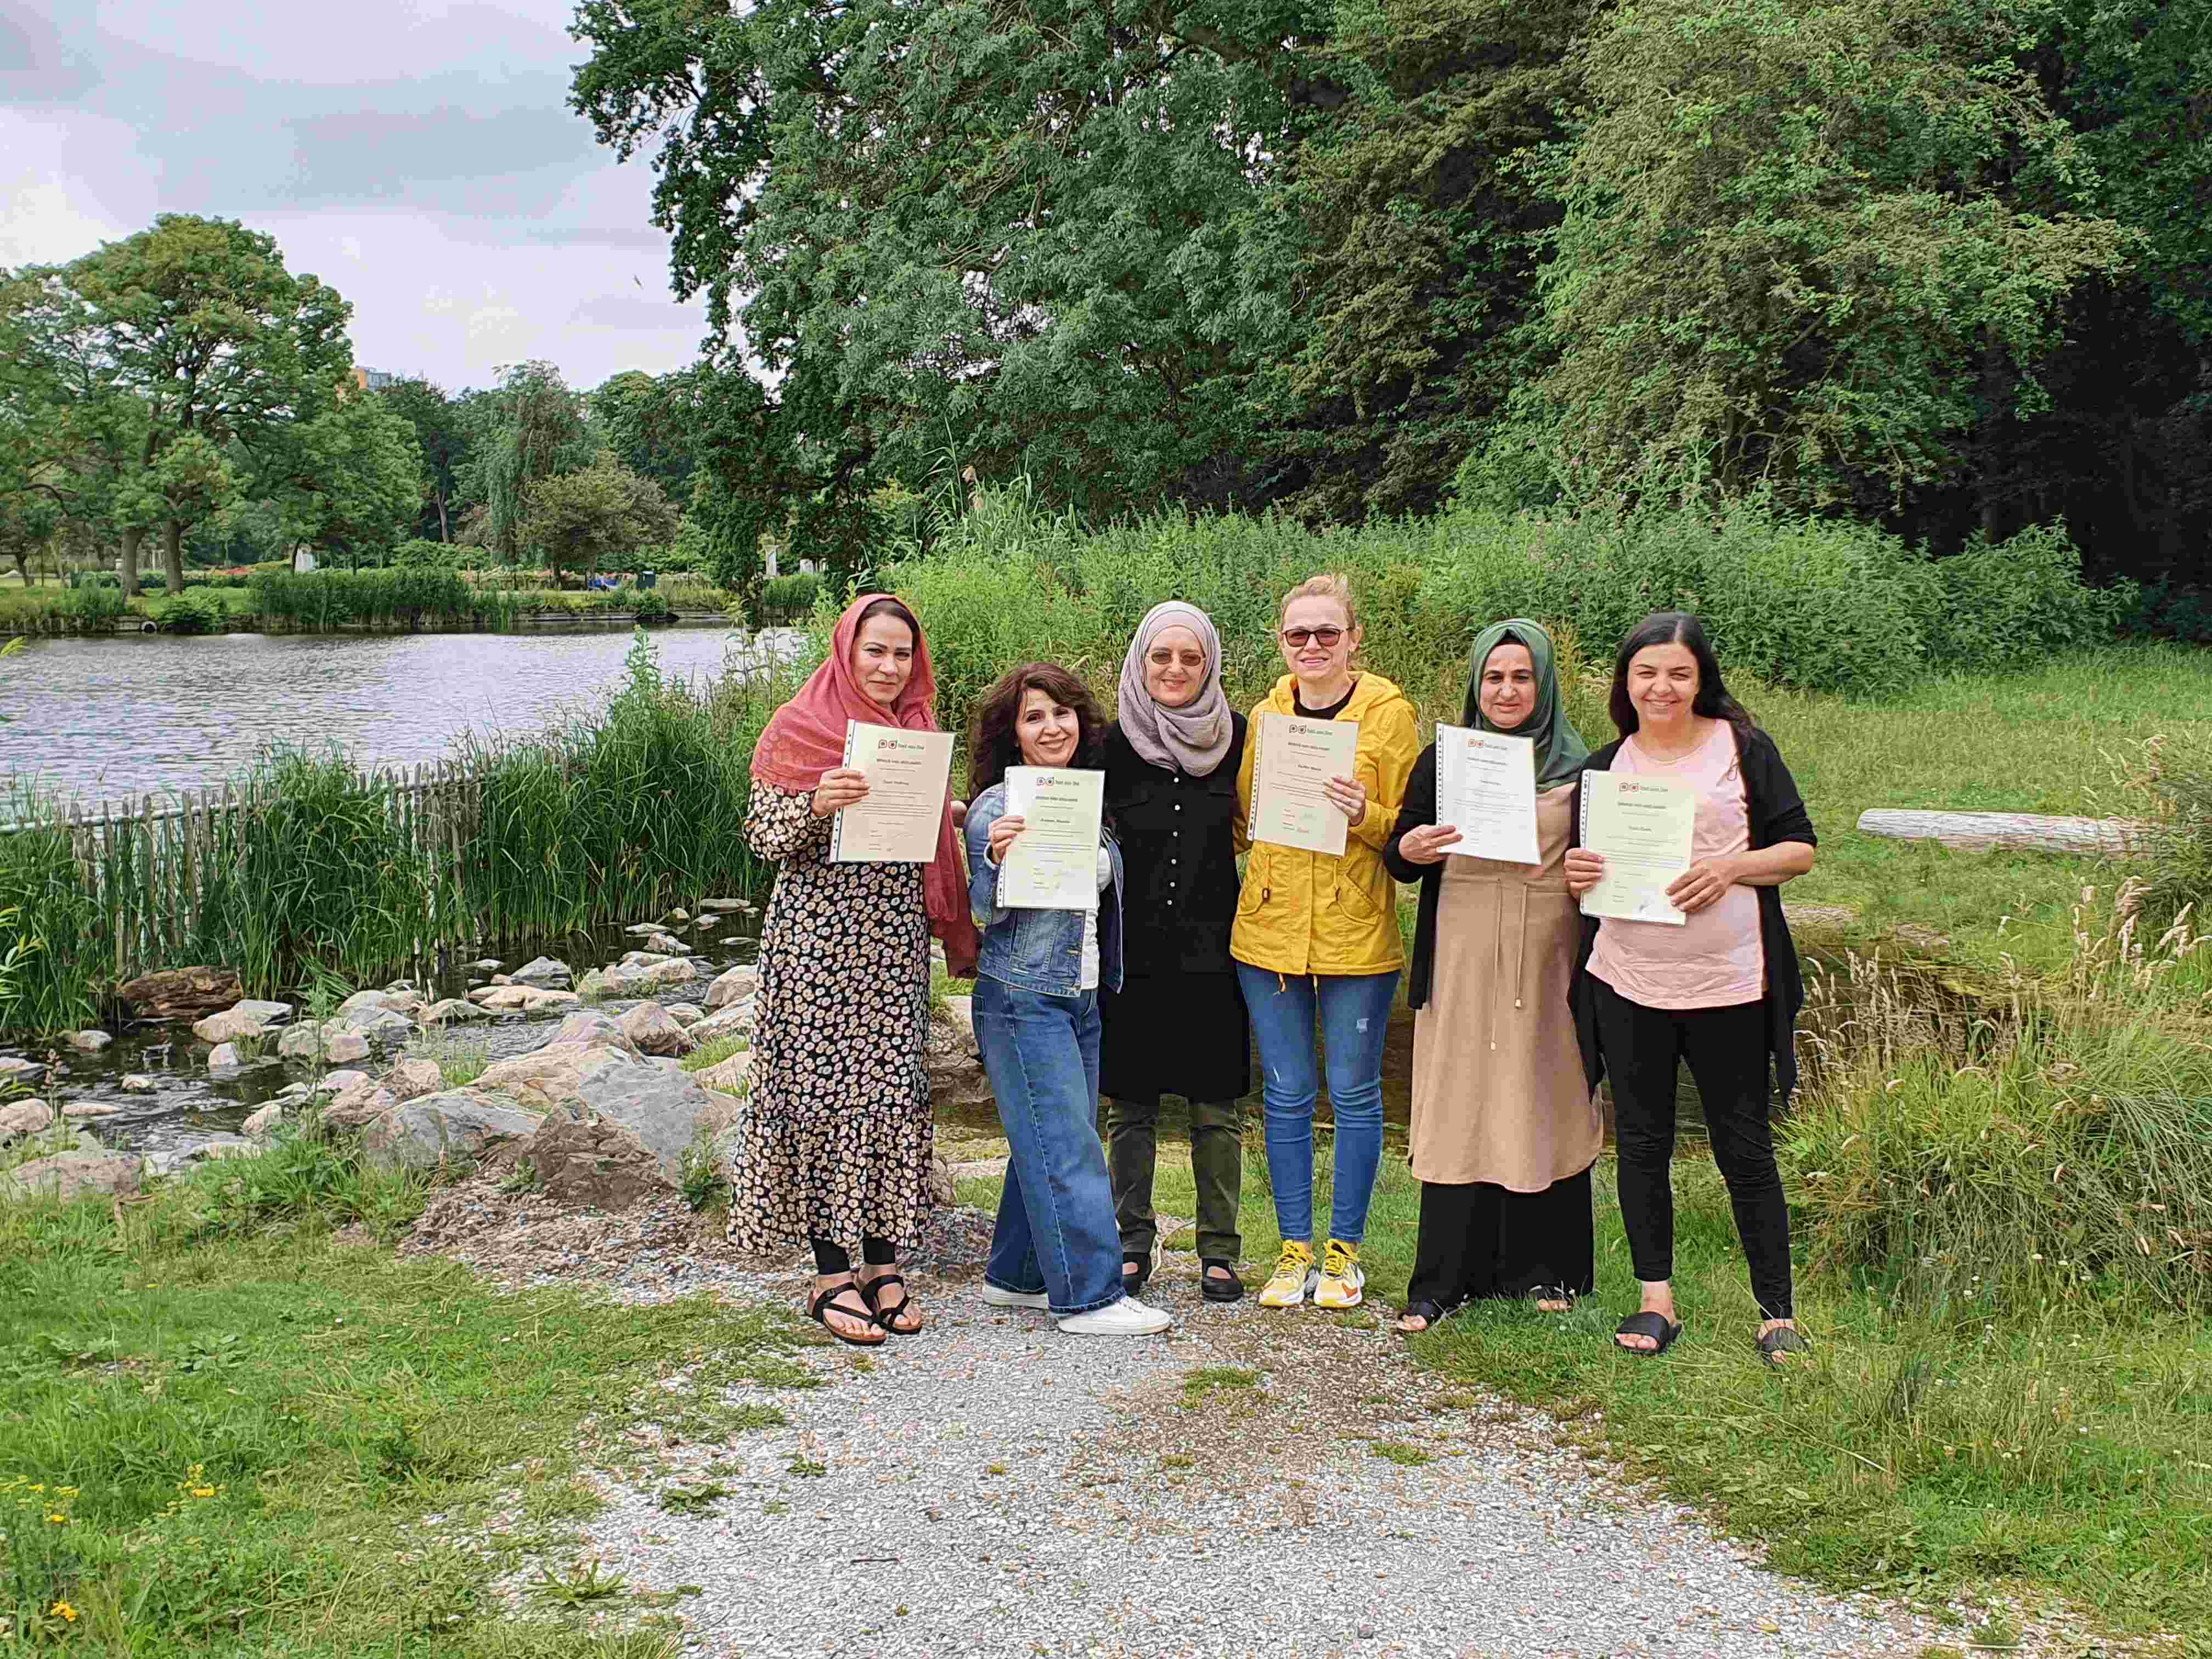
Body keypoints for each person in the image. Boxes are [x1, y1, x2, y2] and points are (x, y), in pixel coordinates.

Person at [1562, 611, 1817, 1364]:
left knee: (1745, 1147)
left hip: (1730, 983)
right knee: (1642, 1142)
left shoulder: (1745, 751)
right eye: (1646, 673)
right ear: (1626, 683)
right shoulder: (1606, 768)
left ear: (1701, 678)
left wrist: (1732, 867)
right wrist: (1581, 875)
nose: (1661, 686)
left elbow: (1800, 850)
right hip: (1629, 980)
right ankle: (1656, 1301)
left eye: (1678, 672)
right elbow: (1590, 874)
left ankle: (1777, 1312)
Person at [730, 593, 979, 1349]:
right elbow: (764, 837)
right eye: (875, 650)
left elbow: (922, 829)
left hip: (891, 944)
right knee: (818, 1097)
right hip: (817, 946)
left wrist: (951, 813)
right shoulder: (800, 726)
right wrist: (816, 804)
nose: (889, 666)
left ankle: (883, 1259)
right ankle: (830, 1270)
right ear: (848, 649)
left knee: (889, 1093)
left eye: (902, 653)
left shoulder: (917, 730)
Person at [1383, 619, 1601, 1332]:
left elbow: (1609, 873)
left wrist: (1591, 873)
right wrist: (1410, 846)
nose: (1507, 690)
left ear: (1544, 684)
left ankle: (1549, 1273)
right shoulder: (1441, 765)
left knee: (1543, 1092)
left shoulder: (1587, 773)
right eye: (1495, 676)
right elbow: (1399, 857)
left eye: (1522, 676)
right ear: (1477, 683)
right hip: (1463, 953)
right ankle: (1444, 1281)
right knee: (1461, 1097)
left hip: (1547, 954)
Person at [963, 662, 1173, 1337]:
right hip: (1023, 997)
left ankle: (1017, 1276)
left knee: (1053, 1136)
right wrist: (996, 860)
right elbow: (983, 916)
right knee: (1071, 1144)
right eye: (1033, 717)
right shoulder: (999, 808)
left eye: (1061, 713)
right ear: (1012, 734)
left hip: (1079, 993)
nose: (1050, 727)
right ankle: (1091, 1296)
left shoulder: (1088, 796)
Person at [1234, 574, 1421, 1310]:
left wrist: (1364, 812)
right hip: (1271, 932)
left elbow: (1408, 831)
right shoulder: (1265, 714)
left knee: (1353, 1093)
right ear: (1281, 643)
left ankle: (1344, 1252)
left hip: (1356, 931)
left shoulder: (1389, 714)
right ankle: (1292, 1249)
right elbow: (1245, 821)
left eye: (1327, 633)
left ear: (1354, 639)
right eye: (1297, 635)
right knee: (1285, 1095)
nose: (1312, 646)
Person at [1100, 602, 1250, 1303]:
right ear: (1140, 660)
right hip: (1132, 953)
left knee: (1216, 1108)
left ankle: (1219, 1249)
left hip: (1217, 951)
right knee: (1130, 1107)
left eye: (1191, 659)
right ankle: (1132, 1242)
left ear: (1211, 664)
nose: (1176, 670)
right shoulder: (1107, 744)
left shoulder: (1243, 738)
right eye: (1162, 656)